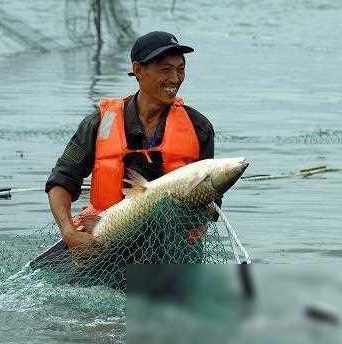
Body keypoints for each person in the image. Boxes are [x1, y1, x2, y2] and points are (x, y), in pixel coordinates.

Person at [45, 31, 218, 249]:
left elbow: (210, 199)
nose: (175, 78)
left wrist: (200, 222)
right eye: (165, 69)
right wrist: (68, 231)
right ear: (138, 70)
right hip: (108, 239)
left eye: (180, 69)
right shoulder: (97, 124)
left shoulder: (199, 128)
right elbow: (61, 181)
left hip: (171, 245)